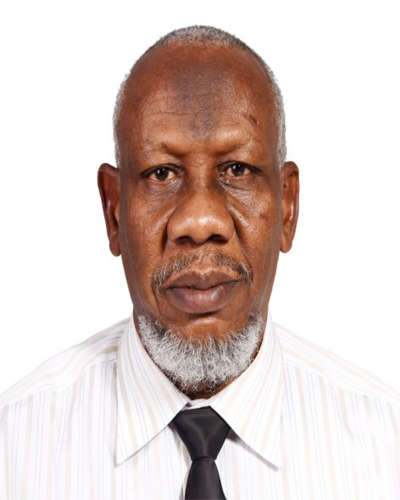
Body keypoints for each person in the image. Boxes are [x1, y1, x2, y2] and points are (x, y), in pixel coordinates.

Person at [1, 25, 399, 500]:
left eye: (237, 170)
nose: (200, 220)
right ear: (114, 212)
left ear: (288, 207)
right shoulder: (14, 452)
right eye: (161, 173)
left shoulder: (386, 446)